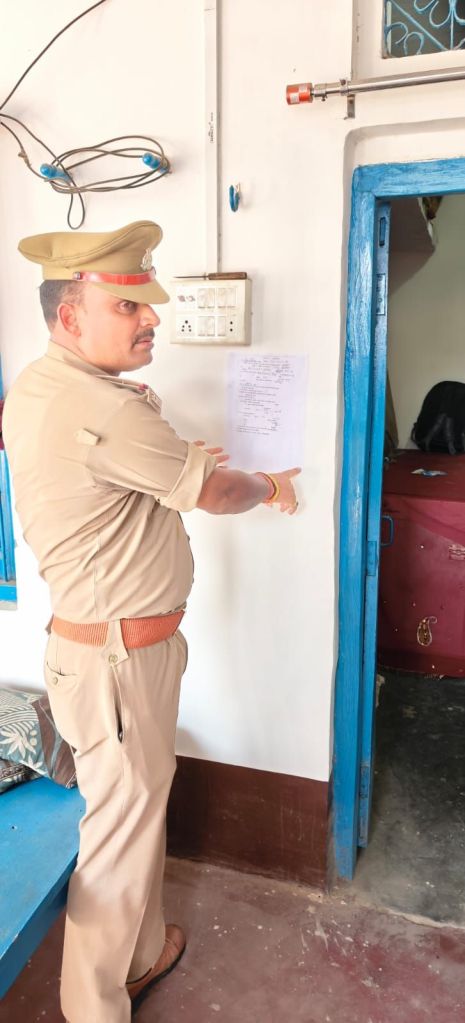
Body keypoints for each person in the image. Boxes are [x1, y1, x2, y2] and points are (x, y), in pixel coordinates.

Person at [2, 220, 300, 1023]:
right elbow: (216, 492)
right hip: (118, 663)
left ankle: (138, 956)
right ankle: (93, 1008)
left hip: (103, 652)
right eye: (128, 305)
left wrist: (162, 449)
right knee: (117, 835)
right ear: (71, 315)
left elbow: (109, 472)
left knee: (134, 814)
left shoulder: (41, 384)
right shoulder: (107, 409)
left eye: (147, 303)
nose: (151, 317)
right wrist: (270, 484)